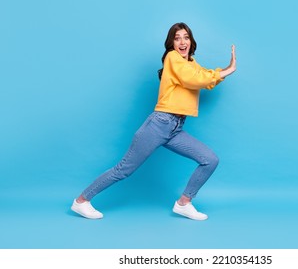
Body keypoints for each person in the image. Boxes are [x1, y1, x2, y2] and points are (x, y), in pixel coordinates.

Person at [71, 22, 236, 221]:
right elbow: (194, 79)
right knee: (123, 170)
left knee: (210, 159)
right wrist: (225, 72)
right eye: (177, 38)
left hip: (175, 128)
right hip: (159, 125)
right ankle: (81, 201)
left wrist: (224, 70)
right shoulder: (172, 58)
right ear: (171, 43)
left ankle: (184, 203)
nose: (182, 42)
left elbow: (202, 77)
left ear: (191, 41)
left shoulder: (190, 63)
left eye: (186, 37)